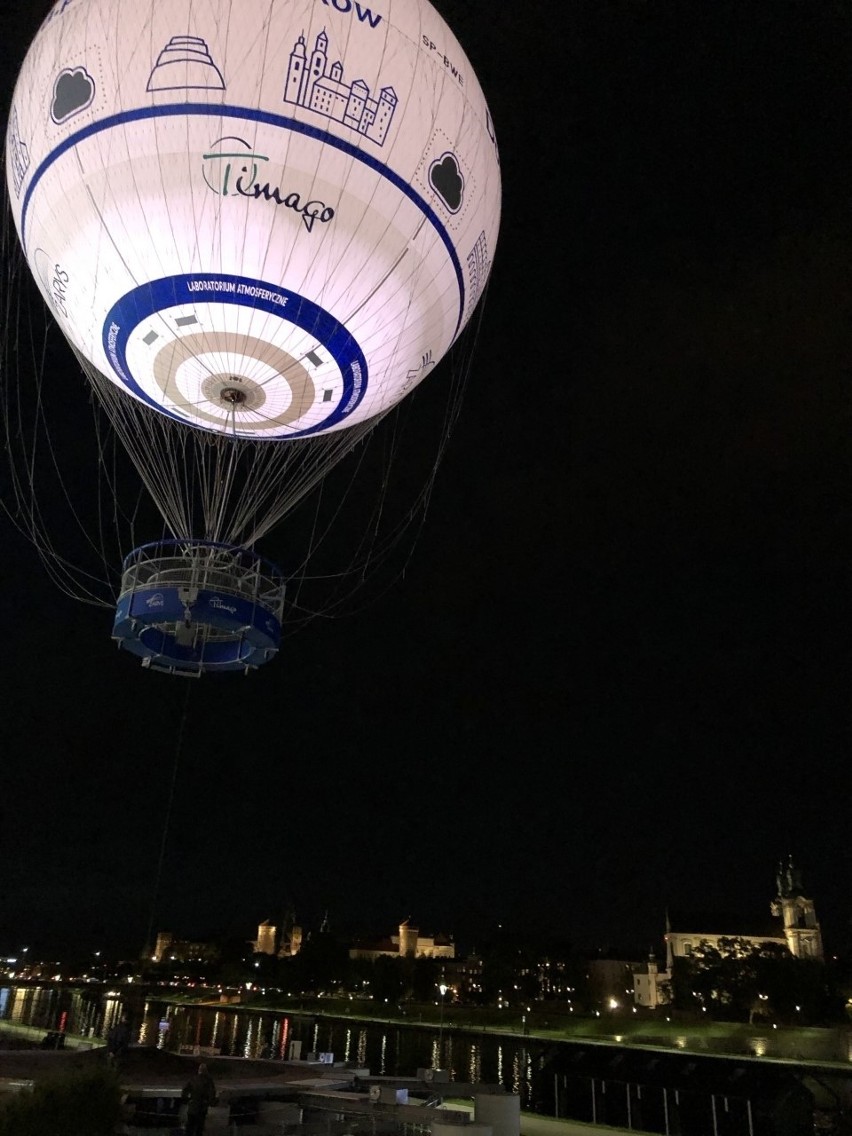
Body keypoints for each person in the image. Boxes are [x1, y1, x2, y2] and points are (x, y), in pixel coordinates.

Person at [182, 1062, 218, 1136]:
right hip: (202, 1107)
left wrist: (186, 1100)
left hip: (192, 1106)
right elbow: (211, 1093)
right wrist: (211, 1102)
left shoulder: (193, 1079)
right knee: (199, 1128)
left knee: (189, 1127)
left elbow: (185, 1090)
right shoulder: (208, 1081)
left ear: (199, 1070)